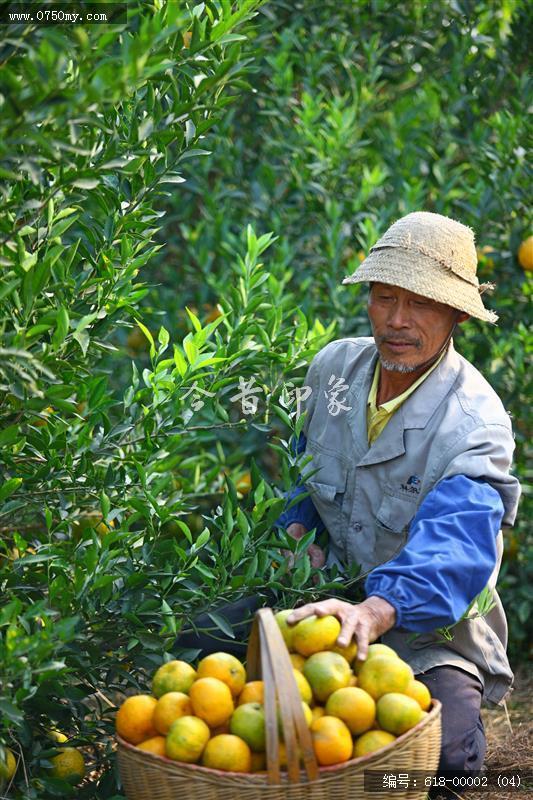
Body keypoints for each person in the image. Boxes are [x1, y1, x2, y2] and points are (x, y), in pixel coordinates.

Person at [275, 211, 521, 784]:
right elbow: (303, 467)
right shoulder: (333, 369)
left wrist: (373, 610)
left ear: (457, 314)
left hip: (425, 627)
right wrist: (296, 533)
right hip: (326, 595)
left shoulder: (474, 424)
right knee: (206, 641)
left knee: (446, 761)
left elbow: (456, 547)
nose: (398, 321)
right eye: (385, 299)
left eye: (422, 305)